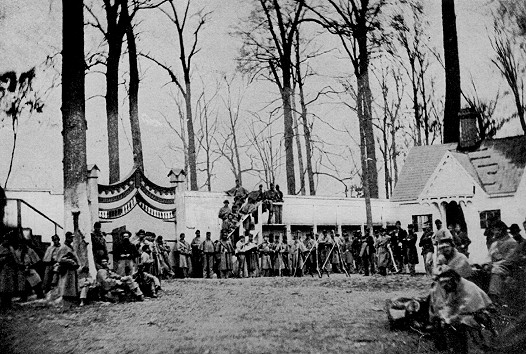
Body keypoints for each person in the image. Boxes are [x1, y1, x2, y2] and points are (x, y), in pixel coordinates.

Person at [429, 266, 492, 354]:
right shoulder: (453, 287)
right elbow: (449, 304)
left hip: (478, 314)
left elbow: (467, 309)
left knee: (460, 323)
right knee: (442, 322)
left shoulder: (468, 288)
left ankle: (473, 348)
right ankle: (449, 348)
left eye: (446, 283)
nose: (444, 286)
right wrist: (444, 316)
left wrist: (451, 318)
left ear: (453, 280)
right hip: (463, 314)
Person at [485, 220, 517, 304]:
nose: (494, 232)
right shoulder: (494, 243)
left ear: (501, 230)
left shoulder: (512, 243)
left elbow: (509, 260)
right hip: (494, 267)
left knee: (496, 270)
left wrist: (493, 265)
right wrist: (486, 264)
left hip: (506, 269)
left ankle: (494, 298)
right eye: (493, 230)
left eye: (495, 230)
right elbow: (488, 257)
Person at [57, 231, 80, 306]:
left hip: (71, 269)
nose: (72, 239)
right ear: (67, 238)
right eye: (70, 238)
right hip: (66, 268)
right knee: (65, 284)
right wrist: (70, 261)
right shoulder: (63, 247)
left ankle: (71, 299)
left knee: (71, 284)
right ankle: (65, 300)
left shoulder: (70, 247)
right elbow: (60, 259)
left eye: (72, 238)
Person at [0, 232, 18, 308]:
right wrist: (3, 258)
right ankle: (3, 303)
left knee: (10, 286)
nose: (6, 241)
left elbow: (15, 258)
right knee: (3, 286)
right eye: (5, 240)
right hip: (2, 269)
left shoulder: (11, 248)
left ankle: (9, 303)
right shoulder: (0, 248)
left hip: (10, 268)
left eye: (7, 240)